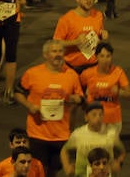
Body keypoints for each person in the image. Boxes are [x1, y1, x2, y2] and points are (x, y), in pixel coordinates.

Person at [14, 40, 84, 177]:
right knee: (38, 170)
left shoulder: (72, 75)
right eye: (54, 51)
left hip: (61, 134)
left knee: (54, 170)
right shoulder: (33, 73)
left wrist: (74, 99)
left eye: (60, 51)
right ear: (45, 55)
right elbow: (18, 92)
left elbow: (81, 98)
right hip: (37, 133)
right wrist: (29, 105)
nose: (58, 55)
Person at [60, 102, 126, 177]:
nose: (98, 118)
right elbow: (64, 150)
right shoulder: (78, 134)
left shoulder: (111, 134)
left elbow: (122, 151)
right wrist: (66, 166)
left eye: (100, 114)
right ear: (86, 117)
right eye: (94, 114)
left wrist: (119, 163)